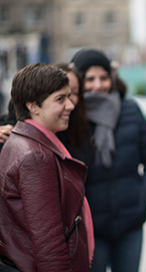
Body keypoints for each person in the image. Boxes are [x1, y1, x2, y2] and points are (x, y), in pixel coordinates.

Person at [70, 48, 146, 272]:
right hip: (90, 227)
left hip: (130, 223)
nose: (97, 85)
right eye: (89, 79)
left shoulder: (130, 110)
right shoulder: (70, 115)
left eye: (103, 78)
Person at [0, 63, 92, 271]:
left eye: (69, 96)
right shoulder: (35, 155)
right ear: (33, 106)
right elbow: (48, 241)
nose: (70, 105)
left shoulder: (19, 139)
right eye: (60, 99)